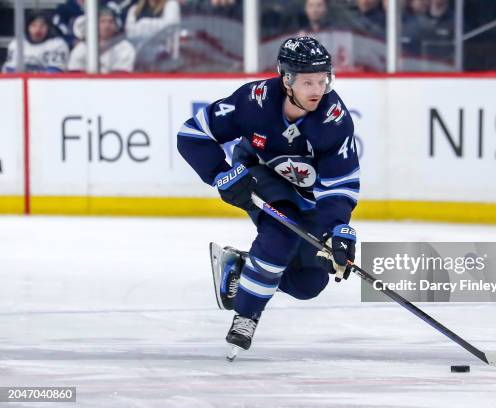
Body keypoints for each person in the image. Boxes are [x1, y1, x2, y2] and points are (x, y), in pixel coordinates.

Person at [177, 37, 360, 357]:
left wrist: (336, 230)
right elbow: (193, 134)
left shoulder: (333, 119)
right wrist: (220, 174)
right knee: (280, 233)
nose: (318, 89)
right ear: (286, 79)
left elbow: (340, 183)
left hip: (308, 196)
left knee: (308, 283)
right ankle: (246, 315)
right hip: (259, 174)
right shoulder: (253, 101)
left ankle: (242, 268)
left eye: (323, 80)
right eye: (308, 82)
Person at [68, 7, 136, 73]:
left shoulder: (125, 47)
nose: (107, 26)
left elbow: (120, 78)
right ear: (94, 25)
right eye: (102, 21)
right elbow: (75, 75)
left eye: (111, 21)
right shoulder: (82, 47)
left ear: (116, 26)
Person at [2, 11, 69, 73]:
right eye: (33, 25)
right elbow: (8, 69)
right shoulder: (16, 44)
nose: (38, 29)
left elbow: (56, 72)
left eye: (42, 26)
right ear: (27, 27)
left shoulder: (58, 45)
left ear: (49, 27)